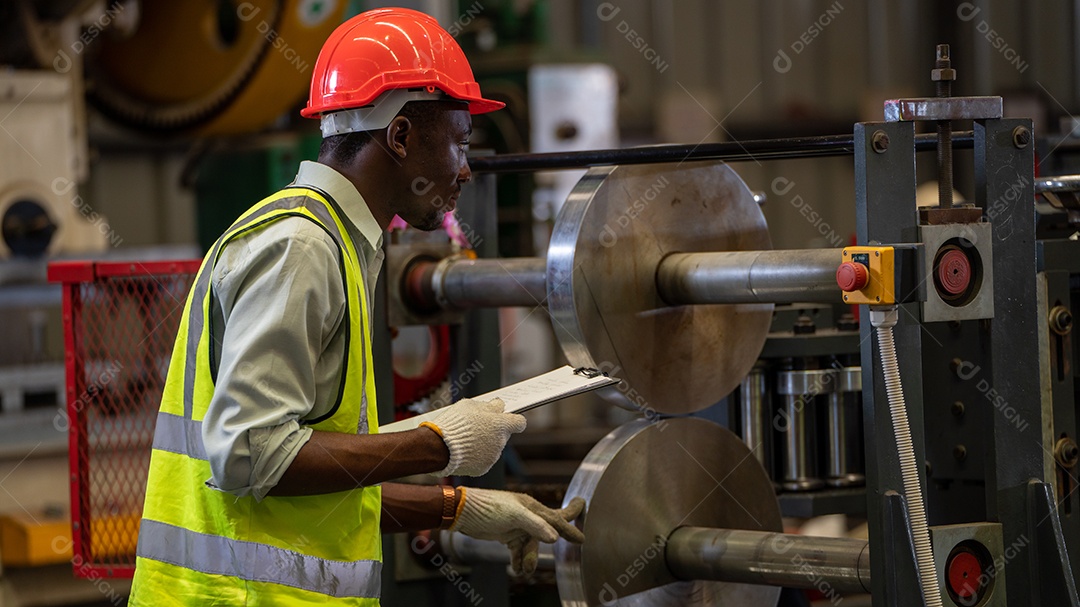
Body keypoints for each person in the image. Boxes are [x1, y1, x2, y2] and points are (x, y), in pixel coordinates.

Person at [129, 8, 584, 606]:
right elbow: (252, 454)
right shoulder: (302, 248)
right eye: (459, 143)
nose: (466, 170)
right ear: (400, 137)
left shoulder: (339, 243)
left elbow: (311, 479)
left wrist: (456, 507)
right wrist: (437, 443)